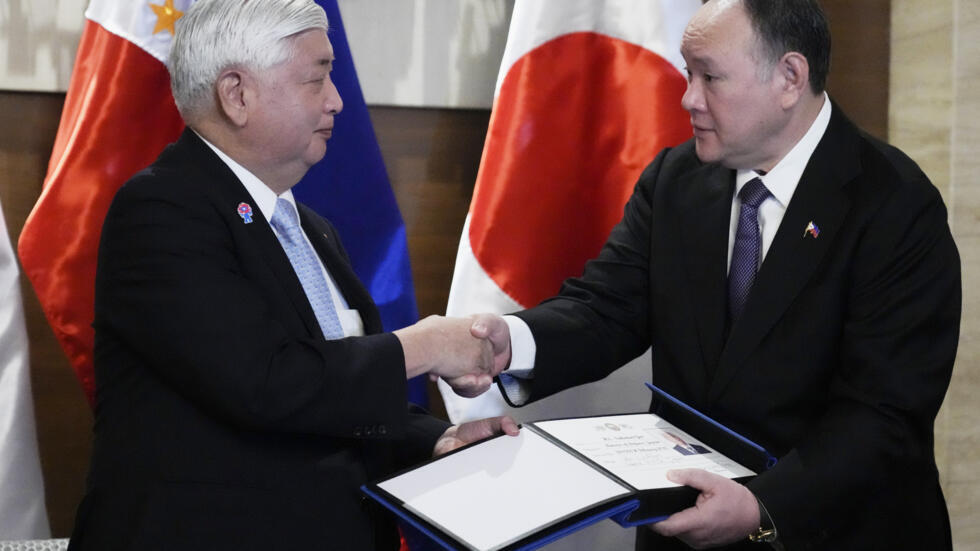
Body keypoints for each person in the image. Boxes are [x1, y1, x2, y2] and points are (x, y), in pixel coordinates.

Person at [469, 0, 961, 549]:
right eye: (687, 73)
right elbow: (606, 309)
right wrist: (508, 344)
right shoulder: (675, 179)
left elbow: (883, 414)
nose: (688, 99)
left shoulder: (896, 204)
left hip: (828, 531)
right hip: (686, 528)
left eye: (710, 77)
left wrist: (763, 505)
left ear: (789, 78)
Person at [66, 1, 515, 550]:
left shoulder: (310, 227)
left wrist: (437, 437)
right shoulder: (161, 209)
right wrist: (425, 345)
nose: (337, 99)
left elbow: (330, 396)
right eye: (317, 78)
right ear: (237, 94)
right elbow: (266, 382)